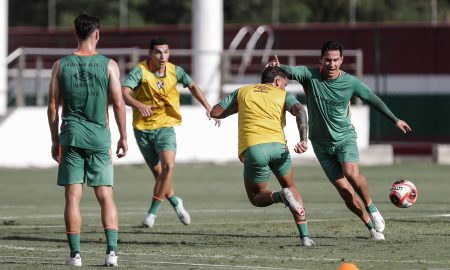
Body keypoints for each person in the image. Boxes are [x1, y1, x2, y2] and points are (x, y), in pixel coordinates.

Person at [268, 40, 412, 240]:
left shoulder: (350, 82)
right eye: (328, 60)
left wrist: (395, 120)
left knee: (351, 174)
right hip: (320, 144)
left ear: (342, 60)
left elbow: (371, 98)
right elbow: (289, 70)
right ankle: (371, 227)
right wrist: (278, 67)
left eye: (336, 60)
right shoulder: (309, 75)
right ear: (321, 60)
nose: (332, 64)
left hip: (345, 138)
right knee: (344, 190)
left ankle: (372, 208)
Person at [47, 12, 128, 266]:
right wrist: (124, 136)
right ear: (97, 33)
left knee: (72, 197)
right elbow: (118, 104)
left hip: (70, 136)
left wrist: (54, 140)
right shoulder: (109, 65)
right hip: (99, 137)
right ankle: (111, 252)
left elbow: (52, 107)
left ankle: (75, 255)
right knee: (106, 196)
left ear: (76, 33)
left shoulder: (60, 65)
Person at [210, 66, 315, 247]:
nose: (284, 88)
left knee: (256, 196)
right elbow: (300, 110)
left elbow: (215, 112)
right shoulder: (282, 95)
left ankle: (280, 197)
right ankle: (305, 237)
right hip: (279, 148)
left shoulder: (242, 91)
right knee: (291, 186)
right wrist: (303, 139)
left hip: (255, 148)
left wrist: (240, 108)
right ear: (276, 81)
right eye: (284, 84)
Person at [122, 37, 220, 228]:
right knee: (159, 175)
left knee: (168, 167)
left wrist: (208, 107)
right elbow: (124, 93)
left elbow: (192, 85)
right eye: (158, 52)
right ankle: (176, 202)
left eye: (166, 52)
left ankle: (151, 213)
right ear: (150, 53)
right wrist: (139, 104)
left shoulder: (176, 71)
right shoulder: (140, 71)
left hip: (166, 127)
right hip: (142, 129)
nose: (163, 56)